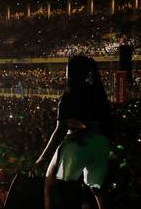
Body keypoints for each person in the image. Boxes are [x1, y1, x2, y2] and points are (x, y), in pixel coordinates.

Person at [34, 56, 112, 209]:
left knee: (50, 184)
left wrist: (43, 158)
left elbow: (59, 131)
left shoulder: (68, 96)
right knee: (97, 189)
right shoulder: (98, 92)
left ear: (71, 74)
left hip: (78, 144)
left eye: (67, 72)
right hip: (101, 145)